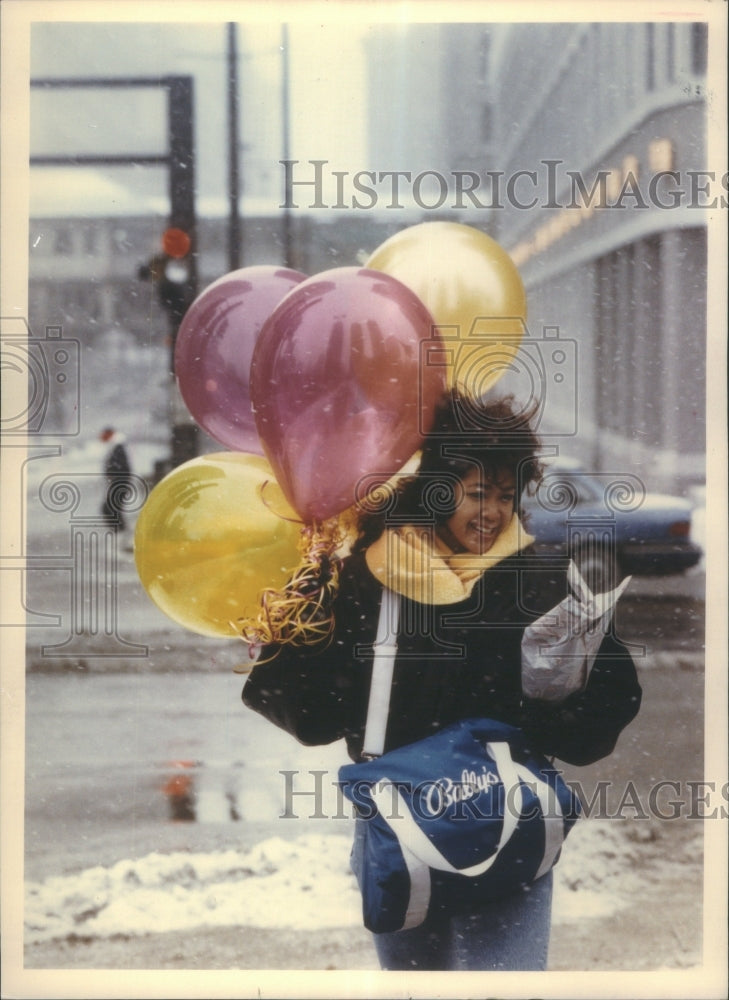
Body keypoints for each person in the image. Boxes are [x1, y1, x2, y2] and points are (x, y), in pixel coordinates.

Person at [242, 389, 642, 971]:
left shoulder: (540, 581)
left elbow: (603, 712)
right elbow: (313, 716)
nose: (493, 513)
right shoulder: (365, 578)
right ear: (433, 487)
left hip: (506, 825)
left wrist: (558, 704)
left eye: (506, 496)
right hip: (401, 830)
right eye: (478, 493)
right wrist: (294, 624)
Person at [99, 427, 132, 535]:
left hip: (119, 483)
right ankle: (121, 531)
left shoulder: (117, 448)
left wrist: (115, 479)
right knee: (112, 508)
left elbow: (121, 467)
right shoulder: (115, 447)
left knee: (109, 508)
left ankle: (121, 532)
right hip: (118, 483)